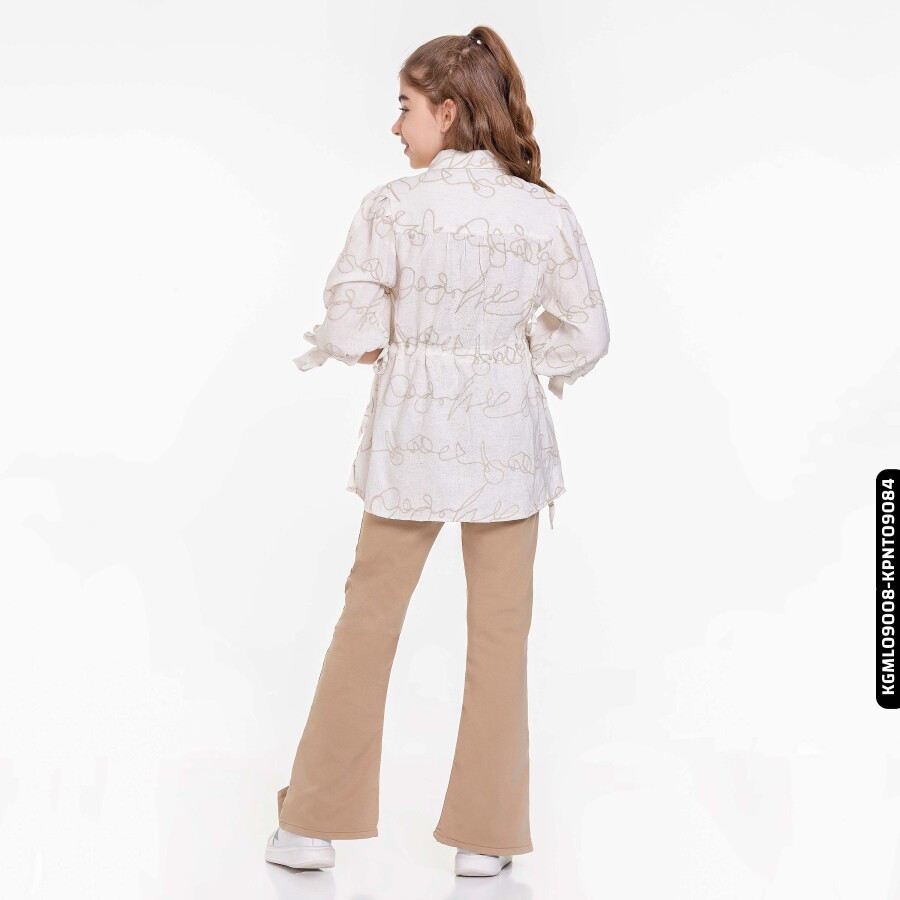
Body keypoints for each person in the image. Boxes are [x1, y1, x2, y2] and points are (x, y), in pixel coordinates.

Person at [264, 25, 610, 878]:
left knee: (368, 619)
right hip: (507, 442)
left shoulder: (392, 206)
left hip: (412, 441)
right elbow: (588, 334)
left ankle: (311, 825)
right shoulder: (544, 211)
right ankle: (485, 838)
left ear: (448, 111)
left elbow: (351, 324)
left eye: (406, 107)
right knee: (501, 632)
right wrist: (518, 353)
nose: (396, 126)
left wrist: (396, 340)